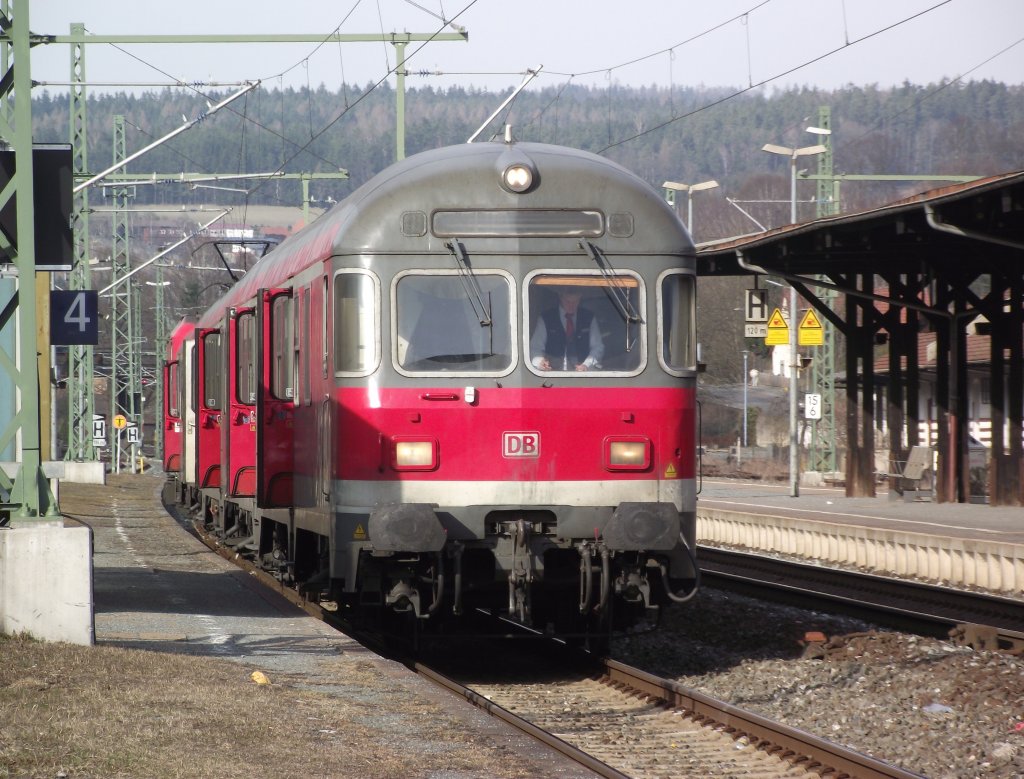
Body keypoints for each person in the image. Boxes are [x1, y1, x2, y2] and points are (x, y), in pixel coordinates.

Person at [530, 287, 604, 371]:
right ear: (561, 298)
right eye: (568, 302)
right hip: (552, 376)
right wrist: (540, 362)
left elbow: (597, 347)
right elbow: (535, 347)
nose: (571, 305)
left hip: (582, 377)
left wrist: (586, 365)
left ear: (580, 299)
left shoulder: (589, 318)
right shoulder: (546, 318)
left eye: (575, 302)